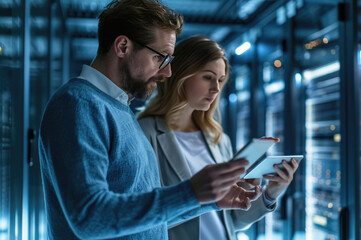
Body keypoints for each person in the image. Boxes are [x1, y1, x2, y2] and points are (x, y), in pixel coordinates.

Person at [38, 1, 260, 239]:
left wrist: (208, 202)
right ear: (123, 47)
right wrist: (190, 193)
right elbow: (90, 218)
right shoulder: (78, 104)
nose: (167, 73)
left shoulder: (120, 110)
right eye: (160, 59)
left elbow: (146, 219)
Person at [138, 36, 300, 240]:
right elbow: (139, 218)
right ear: (181, 75)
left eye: (220, 80)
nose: (215, 89)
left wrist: (270, 193)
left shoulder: (219, 139)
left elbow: (231, 221)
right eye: (207, 77)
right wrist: (197, 196)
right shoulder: (144, 134)